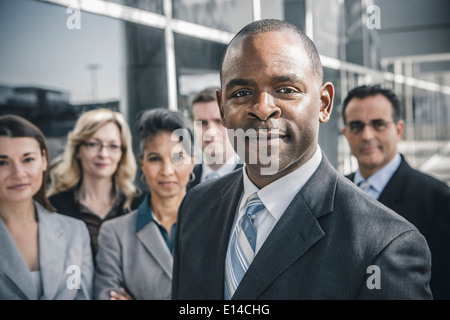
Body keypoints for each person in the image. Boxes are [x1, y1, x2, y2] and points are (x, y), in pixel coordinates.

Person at [171, 19, 433, 300]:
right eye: (242, 93)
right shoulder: (196, 207)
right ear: (223, 109)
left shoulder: (384, 245)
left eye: (286, 89)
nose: (262, 109)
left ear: (324, 104)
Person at [341, 84, 450, 300]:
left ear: (398, 130)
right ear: (346, 133)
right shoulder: (334, 192)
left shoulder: (438, 199)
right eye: (356, 126)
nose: (367, 135)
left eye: (378, 124)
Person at [94, 108, 195, 300]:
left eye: (177, 158)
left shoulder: (216, 223)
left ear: (192, 161)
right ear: (142, 163)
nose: (167, 171)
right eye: (155, 159)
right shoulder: (115, 234)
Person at [0, 115, 93, 299]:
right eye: (2, 162)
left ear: (44, 160)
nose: (18, 173)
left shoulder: (75, 232)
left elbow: (81, 295)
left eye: (28, 159)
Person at [48, 108, 144, 258]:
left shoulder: (140, 205)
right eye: (93, 144)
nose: (103, 154)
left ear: (122, 153)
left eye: (113, 146)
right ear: (78, 150)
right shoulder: (52, 208)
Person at [187, 86, 242, 190]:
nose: (211, 132)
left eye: (219, 121)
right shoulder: (185, 180)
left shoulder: (254, 178)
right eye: (202, 123)